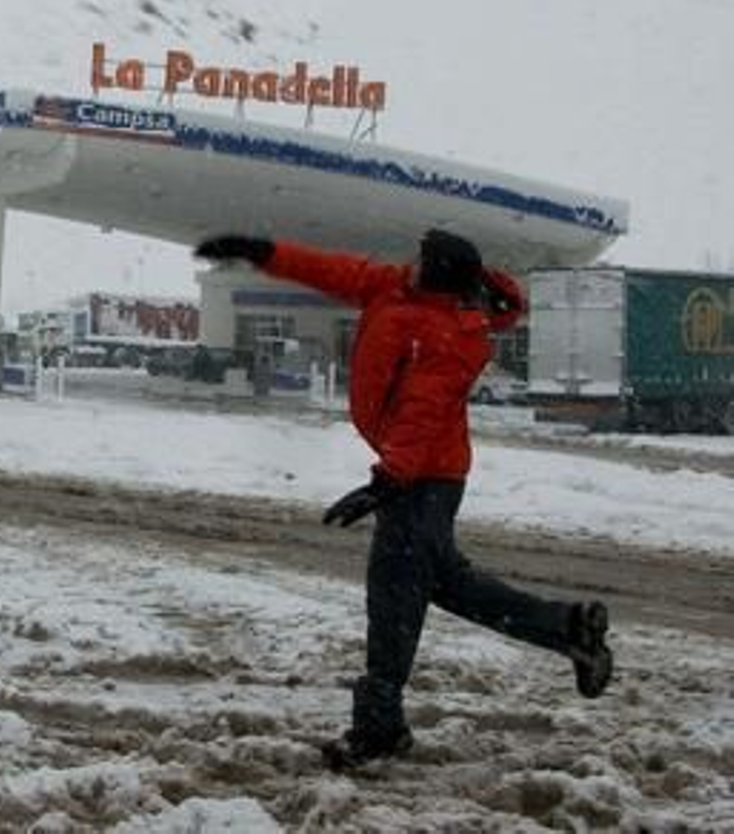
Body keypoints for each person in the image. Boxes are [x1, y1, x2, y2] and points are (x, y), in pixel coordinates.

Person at [194, 230, 612, 770]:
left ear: (438, 274)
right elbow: (333, 268)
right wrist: (263, 253)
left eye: (423, 258)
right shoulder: (395, 289)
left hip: (424, 477)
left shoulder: (451, 332)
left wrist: (386, 481)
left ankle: (379, 728)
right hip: (418, 473)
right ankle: (568, 629)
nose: (410, 262)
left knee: (394, 593)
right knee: (448, 585)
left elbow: (423, 411)